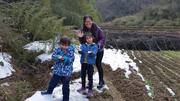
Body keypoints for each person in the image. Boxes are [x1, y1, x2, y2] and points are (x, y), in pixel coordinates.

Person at [75, 15, 106, 89]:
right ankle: (90, 81)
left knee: (98, 64)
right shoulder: (83, 30)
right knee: (89, 65)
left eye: (89, 21)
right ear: (84, 22)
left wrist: (98, 45)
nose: (87, 23)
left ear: (92, 21)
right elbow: (82, 42)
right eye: (86, 21)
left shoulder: (97, 29)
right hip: (88, 50)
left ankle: (101, 81)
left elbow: (102, 38)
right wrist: (80, 37)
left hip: (98, 49)